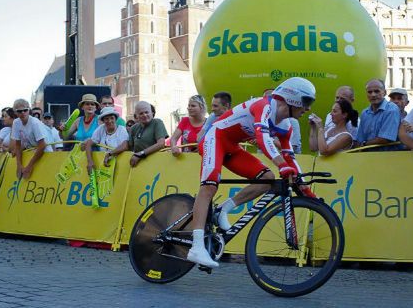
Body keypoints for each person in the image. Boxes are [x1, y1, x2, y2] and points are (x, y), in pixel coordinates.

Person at [187, 77, 316, 268]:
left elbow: (290, 157)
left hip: (232, 146)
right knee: (209, 186)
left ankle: (223, 209)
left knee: (267, 179)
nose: (308, 109)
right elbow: (262, 137)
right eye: (306, 102)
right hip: (215, 138)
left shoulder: (286, 126)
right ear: (293, 99)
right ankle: (196, 247)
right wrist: (281, 164)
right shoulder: (263, 106)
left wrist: (304, 186)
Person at [11, 99, 52, 179]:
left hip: (46, 153)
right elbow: (18, 146)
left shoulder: (35, 123)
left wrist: (29, 166)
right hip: (33, 152)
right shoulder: (16, 122)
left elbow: (43, 145)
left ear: (29, 110)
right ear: (15, 112)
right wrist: (19, 165)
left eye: (25, 110)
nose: (23, 113)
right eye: (19, 111)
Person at [356, 79, 401, 150]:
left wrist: (364, 144)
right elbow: (359, 139)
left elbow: (385, 139)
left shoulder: (392, 109)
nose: (373, 95)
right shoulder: (365, 113)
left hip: (388, 157)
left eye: (376, 91)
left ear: (384, 92)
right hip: (366, 157)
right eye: (369, 92)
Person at [84, 106, 129, 175]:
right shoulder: (101, 129)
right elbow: (89, 144)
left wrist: (110, 154)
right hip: (103, 166)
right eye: (106, 119)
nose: (109, 121)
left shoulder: (121, 129)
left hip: (120, 165)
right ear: (103, 121)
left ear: (115, 119)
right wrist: (90, 161)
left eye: (112, 118)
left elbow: (125, 145)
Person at [129, 101, 169, 167]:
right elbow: (129, 146)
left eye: (146, 112)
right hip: (138, 165)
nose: (144, 115)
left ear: (151, 113)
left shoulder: (157, 122)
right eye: (141, 113)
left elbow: (161, 144)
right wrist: (111, 153)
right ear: (136, 116)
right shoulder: (134, 128)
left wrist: (141, 154)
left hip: (156, 164)